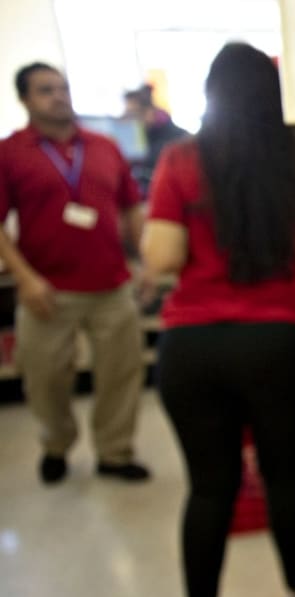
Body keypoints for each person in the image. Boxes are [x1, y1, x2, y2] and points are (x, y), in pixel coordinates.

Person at [141, 43, 295, 597]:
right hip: (275, 343)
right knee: (284, 473)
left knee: (210, 488)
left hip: (192, 348)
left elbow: (162, 259)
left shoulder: (181, 159)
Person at [0, 62, 150, 485]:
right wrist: (25, 279)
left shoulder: (104, 146)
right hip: (47, 290)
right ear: (26, 99)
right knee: (44, 380)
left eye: (63, 88)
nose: (59, 96)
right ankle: (56, 444)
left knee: (121, 374)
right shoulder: (10, 153)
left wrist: (144, 260)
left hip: (112, 285)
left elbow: (131, 207)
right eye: (46, 90)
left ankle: (115, 452)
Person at [123, 84, 189, 197]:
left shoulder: (176, 140)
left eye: (132, 114)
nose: (127, 118)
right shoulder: (144, 135)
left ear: (148, 112)